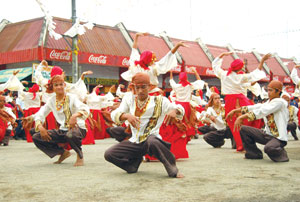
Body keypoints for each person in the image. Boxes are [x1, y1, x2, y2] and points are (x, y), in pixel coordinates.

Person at [104, 72, 185, 178]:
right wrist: (126, 115)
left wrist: (175, 111)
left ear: (150, 87)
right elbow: (115, 114)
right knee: (109, 154)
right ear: (134, 87)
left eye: (143, 87)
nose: (140, 91)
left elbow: (180, 108)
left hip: (152, 141)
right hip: (135, 141)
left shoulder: (159, 101)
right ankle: (132, 165)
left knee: (152, 140)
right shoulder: (129, 99)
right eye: (137, 88)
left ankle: (173, 169)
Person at [212, 52, 271, 152]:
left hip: (229, 102)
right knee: (249, 119)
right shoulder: (241, 77)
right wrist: (262, 60)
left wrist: (222, 55)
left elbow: (215, 66)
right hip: (240, 100)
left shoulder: (224, 75)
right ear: (240, 68)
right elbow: (256, 73)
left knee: (233, 124)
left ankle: (240, 146)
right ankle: (247, 142)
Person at [27, 75, 90, 166]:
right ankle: (62, 152)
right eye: (56, 85)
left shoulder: (72, 97)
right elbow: (41, 114)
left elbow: (85, 108)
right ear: (52, 87)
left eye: (61, 84)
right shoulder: (51, 100)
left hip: (78, 128)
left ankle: (79, 155)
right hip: (63, 130)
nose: (59, 87)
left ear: (64, 85)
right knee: (37, 137)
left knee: (71, 134)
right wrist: (40, 127)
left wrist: (74, 116)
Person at [226, 80, 289, 162]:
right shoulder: (269, 102)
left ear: (278, 92)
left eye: (271, 90)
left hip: (278, 138)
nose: (268, 92)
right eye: (268, 90)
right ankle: (254, 154)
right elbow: (257, 107)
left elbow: (262, 111)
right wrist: (236, 110)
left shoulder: (280, 103)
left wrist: (242, 117)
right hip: (267, 135)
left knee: (269, 148)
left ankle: (282, 155)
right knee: (244, 129)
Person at [121, 32, 187, 95]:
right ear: (147, 60)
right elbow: (167, 58)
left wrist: (136, 36)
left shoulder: (136, 65)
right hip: (152, 94)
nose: (153, 61)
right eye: (152, 60)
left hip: (137, 94)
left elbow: (134, 50)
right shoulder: (153, 68)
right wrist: (177, 46)